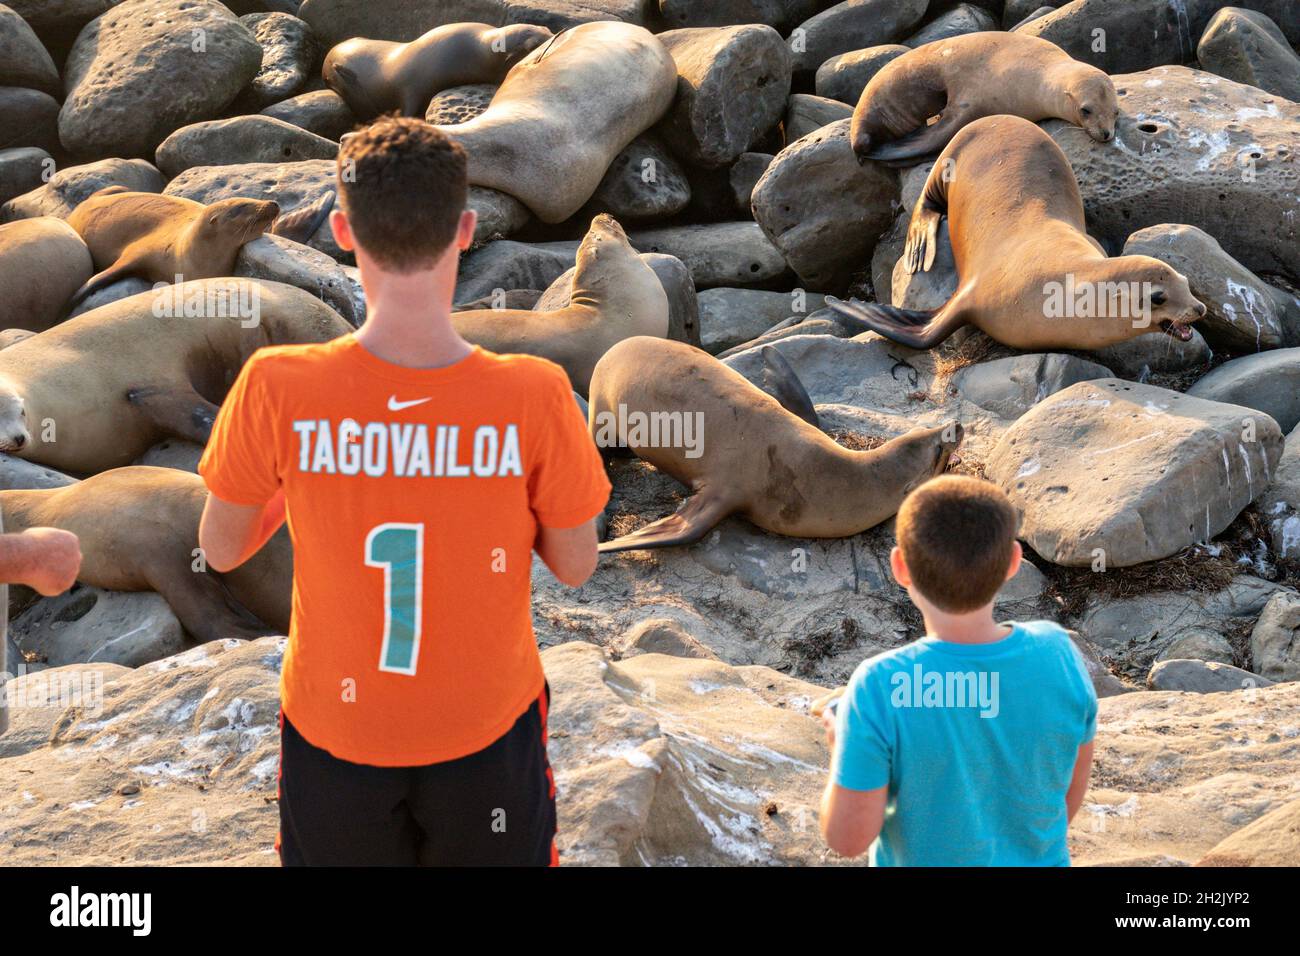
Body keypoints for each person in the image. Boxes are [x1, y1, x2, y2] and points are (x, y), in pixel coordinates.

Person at [196, 117, 611, 866]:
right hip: (485, 729)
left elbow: (220, 549)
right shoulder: (535, 394)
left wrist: (307, 478)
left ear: (343, 232)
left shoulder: (277, 386)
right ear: (466, 230)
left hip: (337, 733)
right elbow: (577, 565)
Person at [816, 474, 1096, 866]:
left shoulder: (878, 686)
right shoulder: (1059, 654)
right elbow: (1064, 804)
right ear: (1014, 562)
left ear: (900, 567)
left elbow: (847, 840)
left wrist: (843, 742)